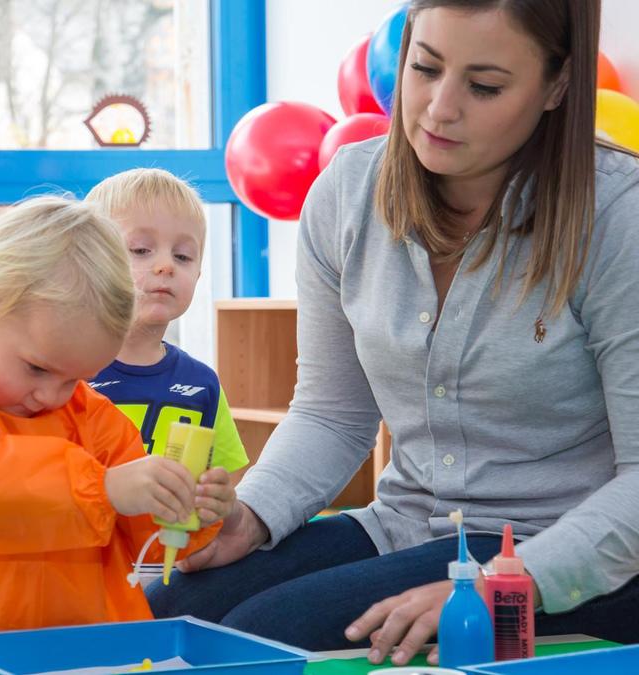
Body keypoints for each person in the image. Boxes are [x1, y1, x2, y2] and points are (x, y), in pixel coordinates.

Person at [148, 0, 639, 668]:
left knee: (269, 633)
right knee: (174, 605)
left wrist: (495, 587)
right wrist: (253, 514)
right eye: (425, 68)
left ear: (557, 85)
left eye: (484, 85)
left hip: (568, 551)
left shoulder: (617, 216)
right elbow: (331, 413)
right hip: (404, 526)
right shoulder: (347, 193)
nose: (438, 108)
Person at [0, 195, 237, 674]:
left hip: (83, 660)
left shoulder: (91, 418)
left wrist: (186, 511)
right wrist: (106, 489)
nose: (51, 395)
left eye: (75, 378)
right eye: (36, 368)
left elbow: (149, 544)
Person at [85, 168, 248, 481]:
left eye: (183, 256)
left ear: (199, 274)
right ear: (93, 262)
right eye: (141, 250)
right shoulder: (65, 376)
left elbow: (231, 484)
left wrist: (218, 499)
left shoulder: (202, 383)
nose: (165, 266)